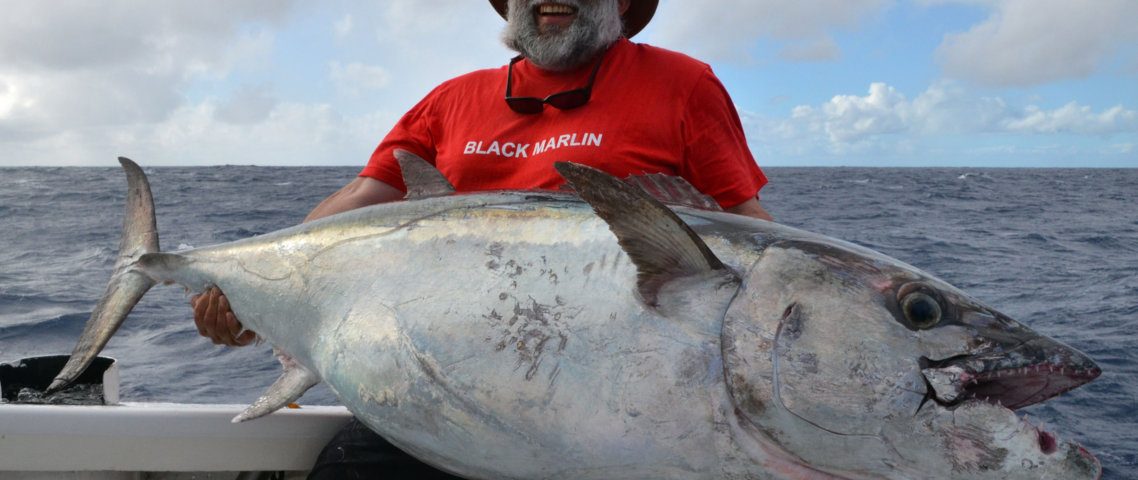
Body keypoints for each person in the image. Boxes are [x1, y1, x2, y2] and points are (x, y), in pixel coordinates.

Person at [193, 0, 772, 477]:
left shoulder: (683, 84)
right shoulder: (451, 99)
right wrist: (253, 297)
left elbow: (748, 228)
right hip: (434, 398)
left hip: (610, 417)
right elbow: (351, 210)